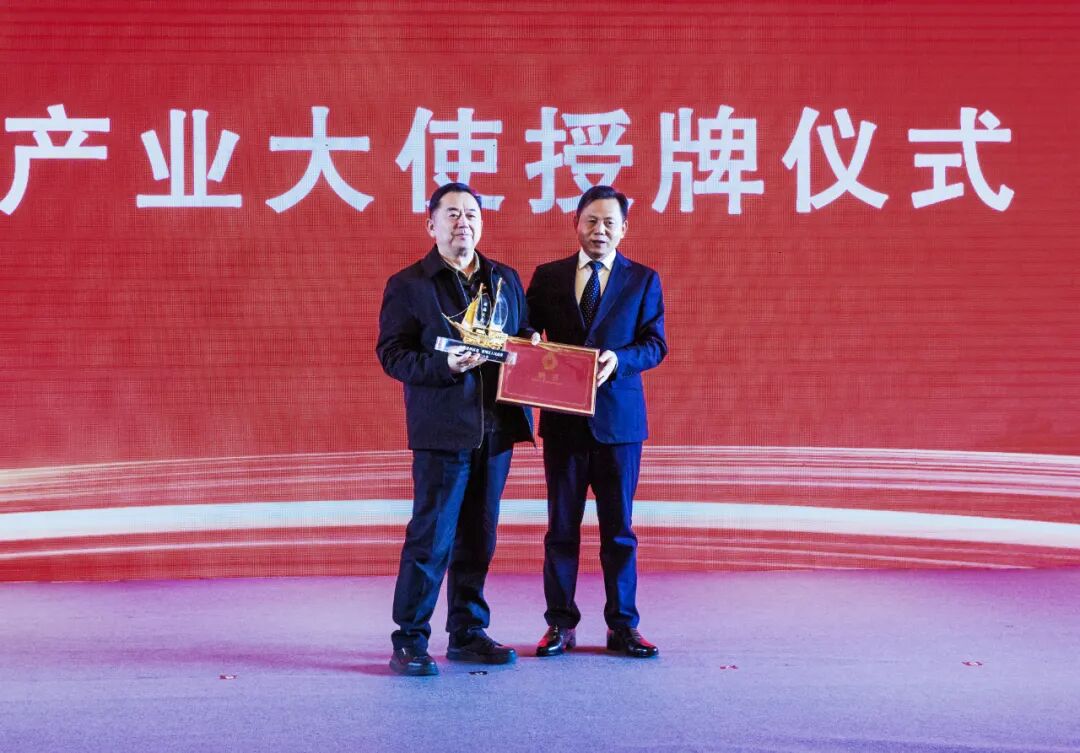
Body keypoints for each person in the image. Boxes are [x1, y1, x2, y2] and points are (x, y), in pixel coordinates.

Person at [376, 182, 533, 676]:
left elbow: (524, 337)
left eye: (471, 214)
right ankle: (409, 639)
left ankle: (467, 631)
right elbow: (393, 355)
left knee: (479, 538)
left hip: (496, 428)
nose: (463, 222)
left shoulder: (504, 278)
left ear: (482, 224)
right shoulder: (409, 285)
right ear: (431, 225)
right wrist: (445, 366)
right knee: (432, 538)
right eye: (452, 214)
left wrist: (532, 352)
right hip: (442, 431)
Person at [526, 185, 668, 659]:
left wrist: (619, 360)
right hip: (564, 422)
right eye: (591, 220)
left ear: (624, 228)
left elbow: (655, 344)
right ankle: (559, 625)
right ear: (576, 224)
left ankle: (623, 625)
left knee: (619, 532)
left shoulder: (643, 279)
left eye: (609, 222)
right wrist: (530, 342)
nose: (599, 230)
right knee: (560, 530)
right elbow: (525, 329)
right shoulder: (548, 277)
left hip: (619, 426)